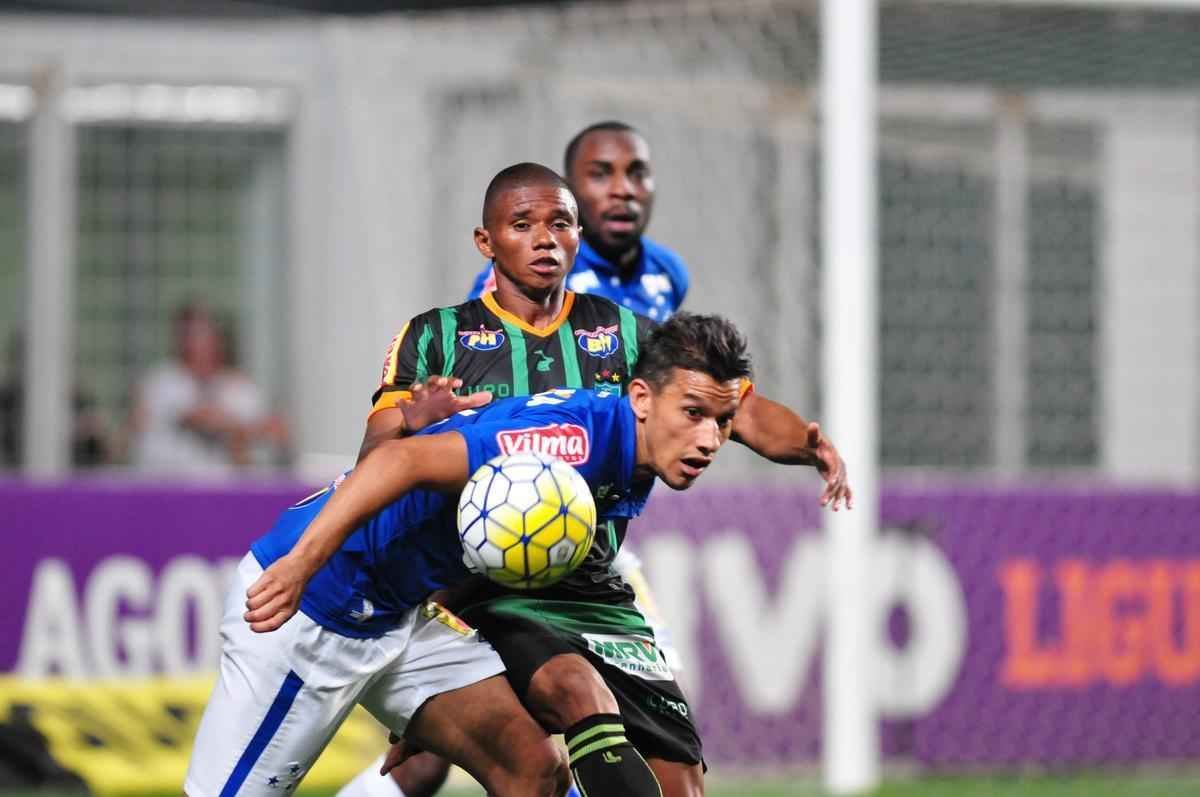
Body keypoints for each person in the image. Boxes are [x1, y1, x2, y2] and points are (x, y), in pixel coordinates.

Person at [340, 163, 849, 797]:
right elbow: (376, 457)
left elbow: (736, 406)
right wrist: (412, 420)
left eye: (559, 224)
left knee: (677, 781)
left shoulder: (626, 333)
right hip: (473, 585)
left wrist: (807, 444)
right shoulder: (435, 338)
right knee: (531, 731)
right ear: (486, 241)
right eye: (523, 226)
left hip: (591, 582)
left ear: (578, 236)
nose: (544, 239)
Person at [199, 311, 758, 797]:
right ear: (641, 398)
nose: (710, 439)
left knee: (532, 767)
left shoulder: (631, 454)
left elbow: (480, 551)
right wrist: (301, 564)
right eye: (693, 414)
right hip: (318, 606)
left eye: (723, 422)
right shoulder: (572, 442)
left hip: (403, 618)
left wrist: (420, 707)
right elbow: (399, 462)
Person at [469, 121, 687, 321]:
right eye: (600, 175)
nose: (623, 190)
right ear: (567, 191)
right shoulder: (533, 271)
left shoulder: (668, 269)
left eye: (637, 173)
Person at [129, 303, 289, 474]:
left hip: (225, 489)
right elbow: (200, 418)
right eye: (190, 335)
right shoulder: (164, 380)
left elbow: (277, 432)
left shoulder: (240, 387)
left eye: (204, 334)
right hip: (169, 487)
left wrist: (248, 433)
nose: (197, 343)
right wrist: (246, 429)